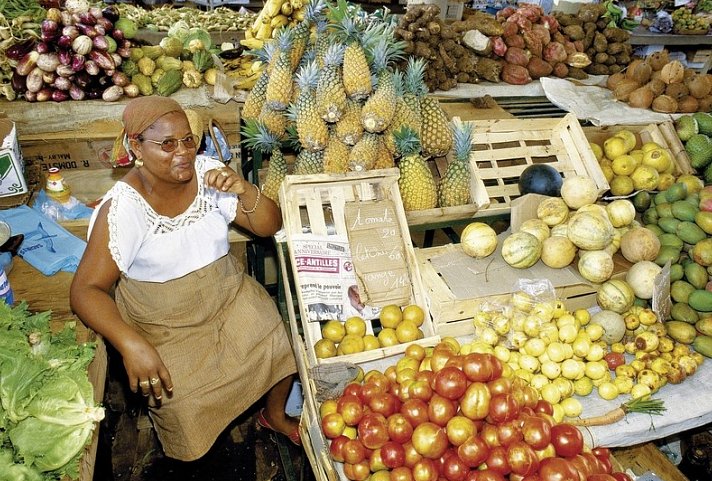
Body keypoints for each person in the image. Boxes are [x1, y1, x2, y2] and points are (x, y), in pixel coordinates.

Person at [69, 96, 300, 462]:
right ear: (136, 147)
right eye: (167, 144)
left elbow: (271, 224)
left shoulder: (208, 173)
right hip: (166, 322)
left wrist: (243, 189)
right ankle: (191, 454)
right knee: (185, 406)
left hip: (228, 296)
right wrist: (131, 344)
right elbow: (85, 291)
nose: (183, 153)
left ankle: (274, 416)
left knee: (280, 343)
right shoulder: (124, 208)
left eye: (188, 140)